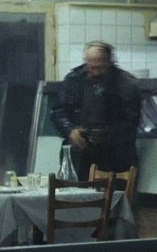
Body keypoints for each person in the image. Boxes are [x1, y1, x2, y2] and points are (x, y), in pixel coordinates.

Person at [51, 40, 141, 180]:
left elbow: (131, 122)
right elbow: (58, 112)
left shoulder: (127, 84)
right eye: (91, 67)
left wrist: (105, 134)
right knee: (73, 191)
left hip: (115, 156)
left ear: (109, 62)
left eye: (100, 67)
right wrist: (70, 131)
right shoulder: (73, 80)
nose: (95, 72)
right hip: (80, 154)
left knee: (114, 192)